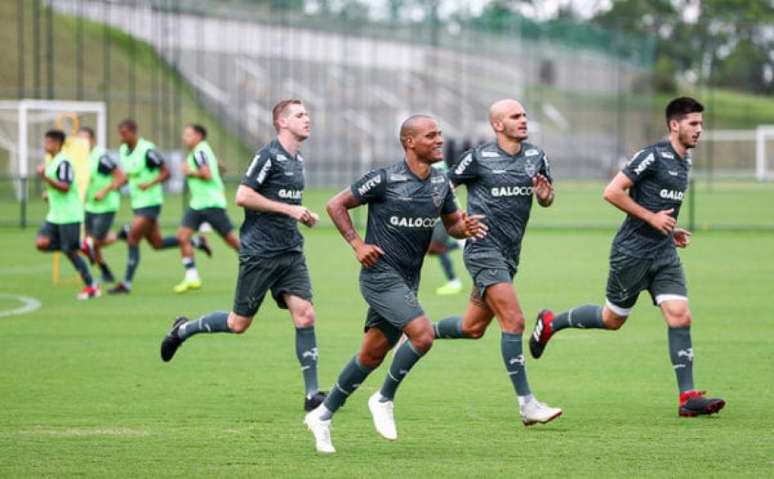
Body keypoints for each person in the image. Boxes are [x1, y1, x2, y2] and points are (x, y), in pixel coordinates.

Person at [529, 97, 725, 418]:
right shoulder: (652, 156)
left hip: (662, 252)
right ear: (674, 125)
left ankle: (687, 397)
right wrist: (651, 219)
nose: (699, 130)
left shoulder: (683, 162)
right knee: (612, 320)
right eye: (693, 124)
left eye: (701, 124)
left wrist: (669, 230)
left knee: (680, 315)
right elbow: (612, 191)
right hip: (631, 253)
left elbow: (660, 207)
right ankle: (552, 322)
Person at [303, 114, 487, 454]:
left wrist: (466, 228)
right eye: (431, 135)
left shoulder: (441, 184)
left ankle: (322, 415)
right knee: (422, 335)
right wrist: (357, 244)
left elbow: (453, 225)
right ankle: (383, 399)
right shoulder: (384, 179)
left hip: (407, 281)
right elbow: (335, 204)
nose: (438, 140)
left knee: (370, 355)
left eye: (440, 134)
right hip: (379, 276)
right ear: (409, 142)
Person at [159, 100, 326, 412]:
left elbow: (285, 202)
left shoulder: (297, 160)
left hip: (290, 250)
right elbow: (243, 196)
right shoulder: (268, 156)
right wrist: (290, 209)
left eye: (307, 113)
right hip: (261, 252)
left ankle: (312, 395)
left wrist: (300, 215)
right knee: (238, 324)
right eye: (300, 115)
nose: (308, 119)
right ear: (282, 122)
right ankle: (182, 330)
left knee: (305, 314)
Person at [429, 99, 562, 427]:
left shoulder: (536, 156)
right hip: (482, 250)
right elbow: (441, 189)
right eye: (515, 116)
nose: (523, 120)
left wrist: (546, 197)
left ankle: (416, 331)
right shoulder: (478, 157)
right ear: (497, 125)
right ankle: (527, 404)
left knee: (471, 328)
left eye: (525, 115)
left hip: (509, 255)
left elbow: (547, 196)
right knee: (514, 322)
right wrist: (455, 217)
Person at [107, 119, 208, 294]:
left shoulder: (147, 150)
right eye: (120, 133)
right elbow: (129, 175)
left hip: (151, 203)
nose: (121, 137)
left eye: (124, 133)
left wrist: (150, 184)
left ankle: (126, 283)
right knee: (157, 243)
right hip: (137, 203)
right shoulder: (124, 151)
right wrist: (117, 184)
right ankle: (194, 241)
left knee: (132, 237)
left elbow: (166, 172)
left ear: (133, 132)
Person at [173, 124, 240, 293]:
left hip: (211, 204)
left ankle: (260, 264)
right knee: (182, 236)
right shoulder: (201, 151)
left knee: (232, 241)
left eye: (188, 134)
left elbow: (207, 174)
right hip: (198, 204)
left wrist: (189, 172)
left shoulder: (200, 152)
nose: (184, 138)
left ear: (198, 136)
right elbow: (216, 167)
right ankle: (192, 277)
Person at [35, 129, 100, 300]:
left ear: (57, 143)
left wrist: (45, 179)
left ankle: (92, 287)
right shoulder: (53, 161)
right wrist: (49, 193)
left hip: (70, 215)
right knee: (41, 243)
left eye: (48, 142)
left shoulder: (64, 162)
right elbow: (58, 188)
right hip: (55, 215)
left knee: (69, 252)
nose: (45, 145)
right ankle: (79, 245)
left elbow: (65, 186)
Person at [78, 126, 125, 284]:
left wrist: (104, 190)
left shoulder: (101, 157)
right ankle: (106, 273)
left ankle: (121, 235)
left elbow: (121, 177)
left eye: (85, 139)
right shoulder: (81, 158)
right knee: (89, 244)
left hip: (106, 206)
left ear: (92, 140)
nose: (82, 143)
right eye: (79, 139)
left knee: (92, 243)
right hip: (90, 206)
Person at [428, 160, 463, 295]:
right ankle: (462, 244)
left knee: (436, 247)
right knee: (432, 250)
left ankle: (453, 281)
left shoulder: (437, 163)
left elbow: (449, 186)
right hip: (434, 216)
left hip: (445, 215)